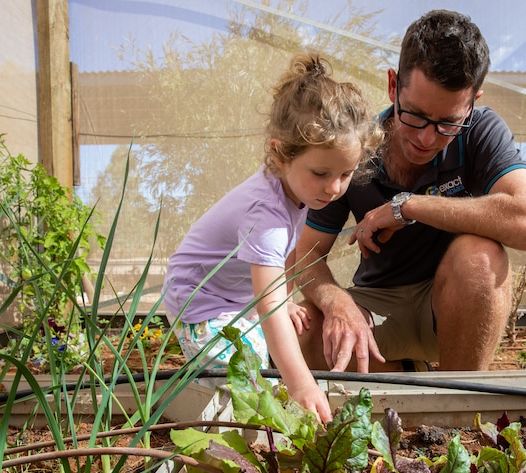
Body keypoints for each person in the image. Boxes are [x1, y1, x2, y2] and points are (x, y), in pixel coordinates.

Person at [294, 10, 526, 374]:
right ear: (392, 86)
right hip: (377, 308)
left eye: (447, 123)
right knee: (301, 331)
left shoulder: (481, 131)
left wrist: (408, 207)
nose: (426, 138)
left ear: (473, 101)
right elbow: (304, 255)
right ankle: (408, 375)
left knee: (480, 257)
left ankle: (459, 403)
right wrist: (337, 302)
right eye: (413, 115)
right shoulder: (356, 148)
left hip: (453, 308)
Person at [162, 53, 383, 423]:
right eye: (321, 172)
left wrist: (281, 297)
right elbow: (268, 305)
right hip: (198, 304)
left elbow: (277, 265)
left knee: (276, 342)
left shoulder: (297, 190)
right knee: (246, 368)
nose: (334, 187)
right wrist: (301, 384)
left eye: (345, 174)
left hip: (235, 299)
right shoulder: (265, 213)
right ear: (280, 154)